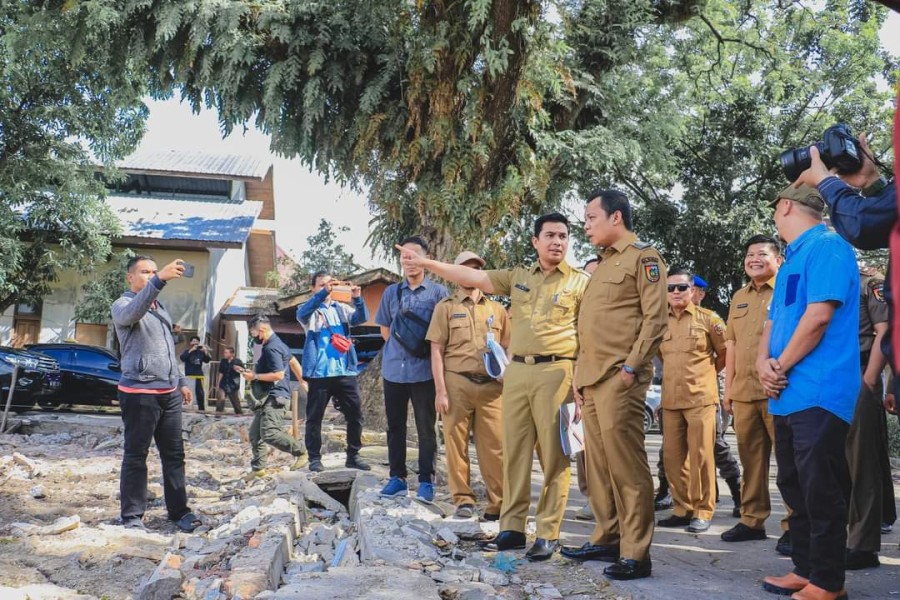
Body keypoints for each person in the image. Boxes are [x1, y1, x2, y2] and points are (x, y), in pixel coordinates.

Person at [397, 213, 589, 562]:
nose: (557, 241)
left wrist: (583, 377)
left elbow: (592, 334)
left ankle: (548, 532)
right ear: (535, 241)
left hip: (559, 371)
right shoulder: (517, 277)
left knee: (554, 456)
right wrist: (424, 262)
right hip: (516, 373)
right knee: (513, 453)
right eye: (549, 235)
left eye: (563, 236)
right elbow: (471, 276)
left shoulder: (580, 283)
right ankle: (512, 528)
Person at [560, 190, 667, 581]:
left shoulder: (645, 258)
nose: (585, 225)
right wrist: (578, 376)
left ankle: (636, 552)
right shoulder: (601, 265)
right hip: (591, 379)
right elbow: (589, 327)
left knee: (626, 466)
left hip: (620, 378)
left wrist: (630, 368)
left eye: (591, 217)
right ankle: (607, 535)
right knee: (599, 466)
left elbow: (655, 320)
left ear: (615, 217)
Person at [758, 184, 858, 600]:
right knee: (794, 484)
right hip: (785, 391)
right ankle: (805, 568)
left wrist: (778, 366)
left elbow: (818, 318)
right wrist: (761, 362)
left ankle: (829, 582)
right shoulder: (793, 259)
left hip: (819, 387)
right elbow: (771, 323)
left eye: (776, 211)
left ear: (784, 206)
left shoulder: (830, 247)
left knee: (822, 487)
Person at [111, 255, 199, 532]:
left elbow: (169, 351)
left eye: (153, 271)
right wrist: (160, 279)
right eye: (145, 272)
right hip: (139, 392)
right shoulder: (122, 304)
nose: (151, 275)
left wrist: (182, 381)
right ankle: (132, 516)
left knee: (174, 455)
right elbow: (132, 314)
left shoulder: (160, 308)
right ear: (130, 278)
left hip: (169, 392)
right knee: (136, 455)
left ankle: (179, 512)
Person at [720, 235, 792, 551]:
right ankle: (752, 520)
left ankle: (795, 524)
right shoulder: (739, 297)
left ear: (778, 260)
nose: (753, 259)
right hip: (744, 391)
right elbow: (731, 345)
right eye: (749, 254)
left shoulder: (790, 288)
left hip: (779, 388)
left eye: (761, 253)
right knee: (751, 462)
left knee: (790, 462)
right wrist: (729, 388)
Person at [426, 251, 510, 520]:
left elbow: (508, 347)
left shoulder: (497, 310)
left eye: (475, 269)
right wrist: (440, 391)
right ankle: (463, 500)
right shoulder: (446, 307)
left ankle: (499, 502)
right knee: (455, 444)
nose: (469, 274)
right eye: (464, 269)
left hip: (492, 388)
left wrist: (507, 377)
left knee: (495, 446)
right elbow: (436, 351)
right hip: (457, 383)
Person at [376, 236, 449, 502]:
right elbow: (385, 329)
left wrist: (419, 352)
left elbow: (443, 333)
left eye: (414, 256)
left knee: (426, 427)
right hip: (394, 371)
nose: (409, 262)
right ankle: (397, 478)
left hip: (425, 372)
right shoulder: (391, 293)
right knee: (395, 426)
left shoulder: (439, 293)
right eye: (404, 257)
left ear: (424, 260)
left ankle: (426, 481)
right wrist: (402, 348)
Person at [655, 269, 726, 534]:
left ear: (692, 290)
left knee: (702, 456)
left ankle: (703, 510)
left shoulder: (709, 319)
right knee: (673, 458)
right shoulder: (660, 322)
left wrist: (704, 375)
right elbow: (663, 359)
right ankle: (682, 508)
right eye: (670, 288)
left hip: (700, 399)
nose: (675, 292)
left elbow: (723, 354)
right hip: (671, 401)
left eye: (681, 288)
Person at [296, 271, 371, 473]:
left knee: (355, 415)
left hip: (345, 371)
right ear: (313, 288)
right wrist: (322, 295)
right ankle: (314, 458)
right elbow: (301, 315)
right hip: (320, 374)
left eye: (330, 284)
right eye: (321, 284)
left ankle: (353, 456)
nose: (327, 287)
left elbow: (361, 318)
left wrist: (357, 298)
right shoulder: (309, 311)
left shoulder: (341, 308)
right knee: (314, 418)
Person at [845, 266, 893, 570]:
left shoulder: (869, 283)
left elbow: (885, 331)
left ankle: (863, 545)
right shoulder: (827, 279)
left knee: (861, 461)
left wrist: (871, 379)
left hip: (861, 373)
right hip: (831, 376)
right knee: (837, 460)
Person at [690, 274, 743, 516]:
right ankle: (676, 494)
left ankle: (737, 493)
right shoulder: (668, 319)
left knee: (716, 444)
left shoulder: (711, 319)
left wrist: (710, 375)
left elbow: (724, 353)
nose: (683, 292)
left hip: (712, 389)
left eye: (689, 288)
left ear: (700, 293)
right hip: (681, 394)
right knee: (673, 449)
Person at [241, 315, 309, 479]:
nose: (254, 338)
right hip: (267, 397)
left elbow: (278, 374)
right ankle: (258, 470)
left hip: (276, 397)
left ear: (262, 330)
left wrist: (255, 377)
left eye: (254, 334)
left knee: (270, 433)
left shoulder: (272, 348)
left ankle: (302, 452)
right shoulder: (277, 343)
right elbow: (292, 362)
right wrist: (302, 381)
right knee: (256, 435)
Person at [574, 256, 599, 522]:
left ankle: (610, 500)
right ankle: (592, 497)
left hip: (607, 382)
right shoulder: (574, 308)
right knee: (582, 445)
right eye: (587, 276)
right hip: (577, 381)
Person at [181, 336, 211, 411]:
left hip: (199, 375)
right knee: (189, 392)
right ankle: (187, 407)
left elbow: (207, 360)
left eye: (196, 341)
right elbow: (182, 358)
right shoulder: (187, 351)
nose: (195, 343)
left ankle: (201, 409)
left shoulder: (201, 352)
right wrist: (191, 350)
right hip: (189, 375)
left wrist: (206, 351)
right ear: (190, 343)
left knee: (200, 393)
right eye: (193, 341)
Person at [215, 346, 244, 415]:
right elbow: (221, 372)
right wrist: (218, 384)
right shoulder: (223, 361)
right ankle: (218, 416)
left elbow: (244, 372)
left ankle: (239, 415)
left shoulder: (238, 361)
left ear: (232, 354)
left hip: (233, 385)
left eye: (226, 353)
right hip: (223, 384)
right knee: (220, 400)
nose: (224, 354)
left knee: (236, 403)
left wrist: (239, 369)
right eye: (224, 352)